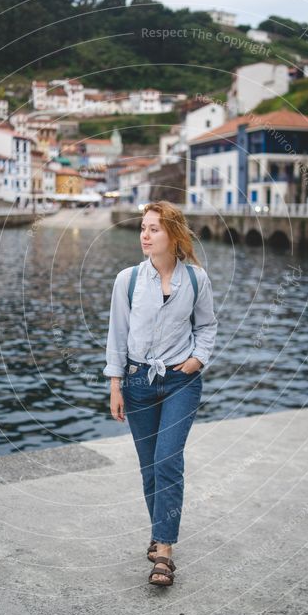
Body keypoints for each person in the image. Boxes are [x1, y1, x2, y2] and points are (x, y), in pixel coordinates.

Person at [103, 201, 218, 586]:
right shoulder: (128, 280)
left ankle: (164, 550)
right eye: (143, 227)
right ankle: (159, 530)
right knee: (150, 466)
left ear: (173, 235)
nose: (145, 235)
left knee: (168, 459)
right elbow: (117, 335)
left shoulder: (197, 280)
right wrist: (116, 384)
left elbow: (207, 327)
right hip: (137, 383)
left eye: (154, 228)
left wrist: (197, 360)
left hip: (181, 382)